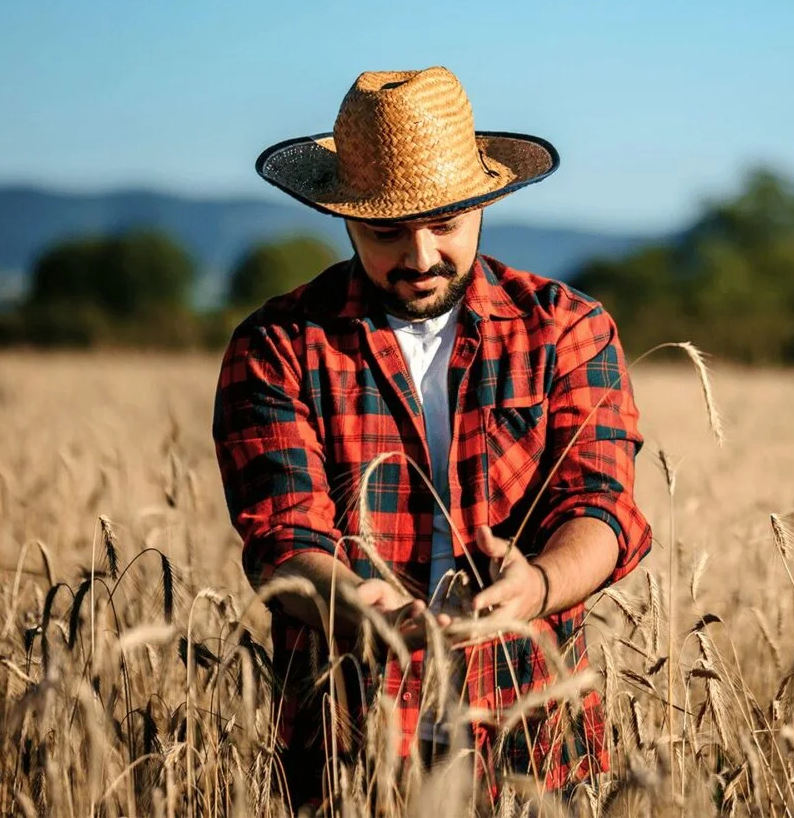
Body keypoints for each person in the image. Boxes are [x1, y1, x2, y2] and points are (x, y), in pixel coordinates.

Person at [212, 67, 652, 811]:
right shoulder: (279, 345)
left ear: (484, 203)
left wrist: (537, 585)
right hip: (348, 743)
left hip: (531, 736)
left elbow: (601, 507)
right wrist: (366, 609)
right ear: (344, 216)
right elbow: (283, 538)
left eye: (444, 223)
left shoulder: (568, 329)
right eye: (387, 230)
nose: (419, 256)